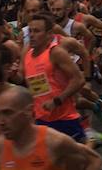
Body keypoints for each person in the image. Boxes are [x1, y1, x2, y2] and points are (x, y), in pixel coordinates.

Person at [21, 13, 86, 142]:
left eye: (37, 31)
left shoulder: (56, 53)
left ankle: (91, 141)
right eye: (30, 31)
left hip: (64, 118)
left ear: (49, 34)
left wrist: (57, 101)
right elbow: (30, 85)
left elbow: (78, 79)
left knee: (77, 159)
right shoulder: (27, 55)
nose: (32, 35)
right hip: (41, 119)